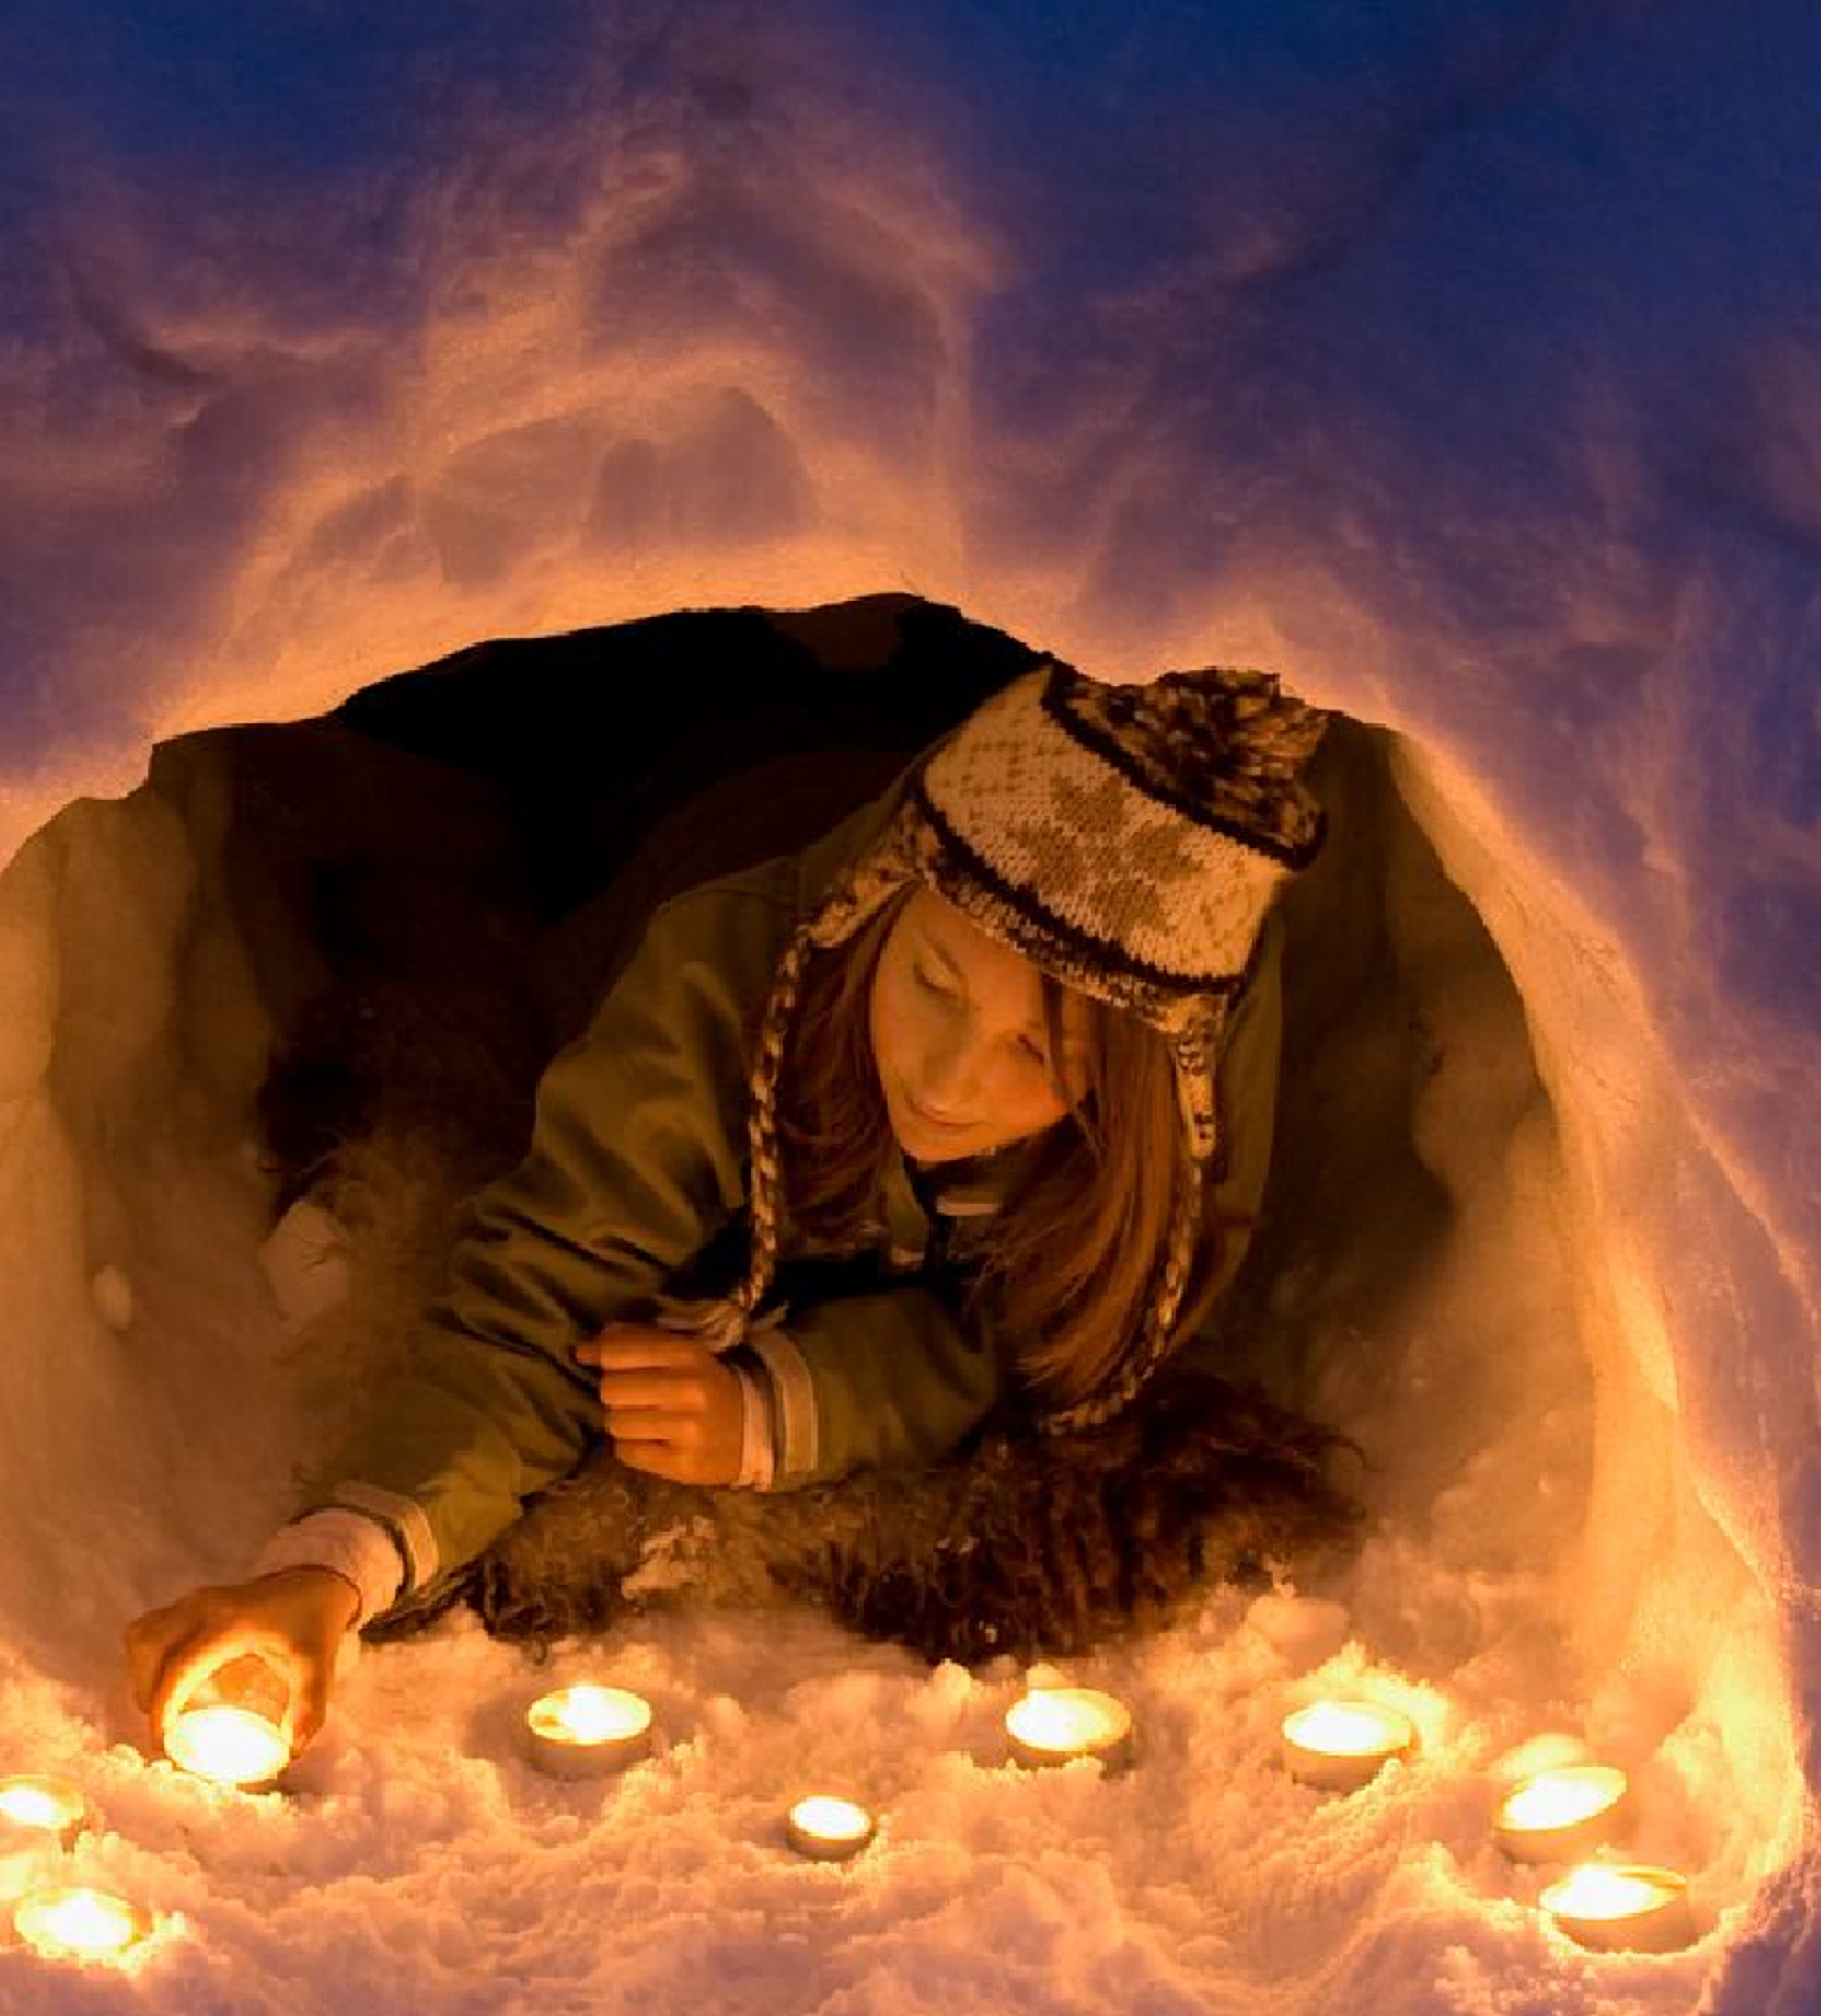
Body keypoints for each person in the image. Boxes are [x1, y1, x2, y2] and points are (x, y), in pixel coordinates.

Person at [126, 658, 1333, 1758]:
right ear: (877, 905)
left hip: (893, 746)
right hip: (685, 801)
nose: (948, 1079)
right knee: (602, 735)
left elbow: (1061, 1344)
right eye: (931, 983)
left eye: (1040, 1054)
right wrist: (335, 1569)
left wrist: (790, 1406)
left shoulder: (1179, 1135)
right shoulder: (716, 980)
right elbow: (536, 1301)